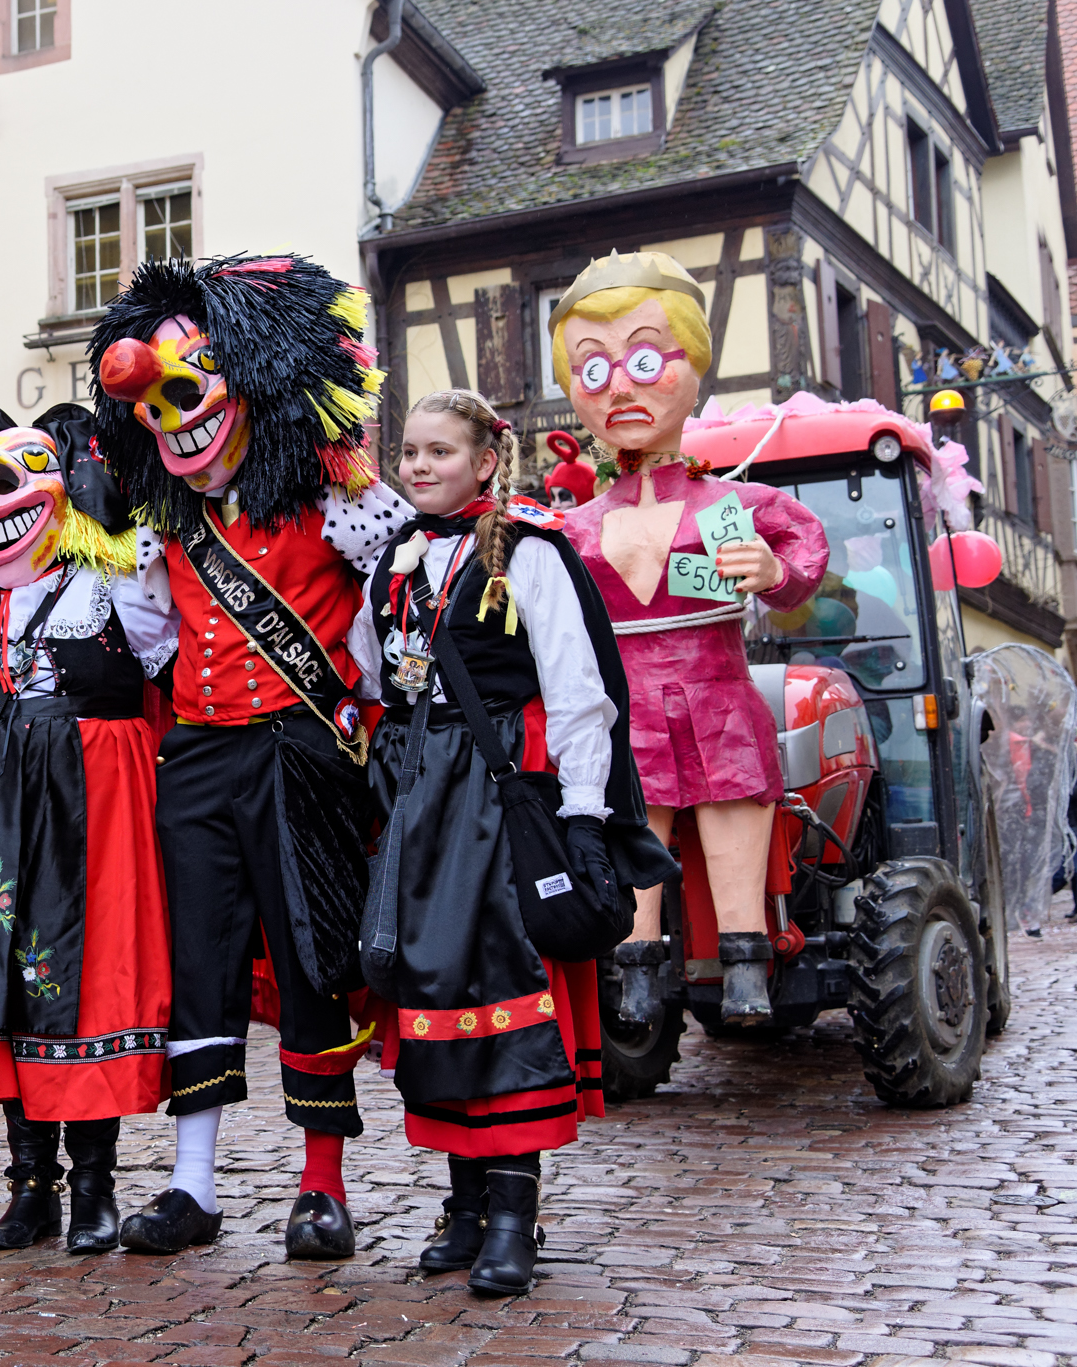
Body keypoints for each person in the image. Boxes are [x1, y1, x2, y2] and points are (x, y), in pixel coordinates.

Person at [90, 254, 408, 1260]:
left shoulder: (337, 498)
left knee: (314, 958)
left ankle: (320, 1184)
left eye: (188, 391)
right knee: (202, 964)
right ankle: (191, 1182)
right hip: (195, 759)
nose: (170, 418)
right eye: (151, 407)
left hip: (299, 751)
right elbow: (144, 642)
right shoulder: (163, 528)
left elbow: (402, 602)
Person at [347, 389, 671, 1296]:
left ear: (486, 460)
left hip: (500, 795)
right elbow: (375, 674)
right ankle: (461, 1206)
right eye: (408, 451)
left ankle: (512, 1214)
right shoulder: (393, 562)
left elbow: (577, 692)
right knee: (430, 992)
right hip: (423, 801)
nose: (417, 467)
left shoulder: (530, 554)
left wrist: (579, 814)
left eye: (439, 452)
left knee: (503, 988)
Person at [0, 406, 178, 1254]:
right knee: (10, 976)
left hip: (99, 804)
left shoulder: (117, 582)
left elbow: (171, 680)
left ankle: (94, 1184)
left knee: (91, 979)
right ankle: (32, 1187)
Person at [550, 253, 828, 1025]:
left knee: (735, 801)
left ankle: (745, 959)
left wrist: (771, 568)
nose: (621, 387)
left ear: (692, 363)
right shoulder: (570, 527)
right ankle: (635, 965)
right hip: (623, 701)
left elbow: (803, 566)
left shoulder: (735, 503)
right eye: (593, 369)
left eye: (644, 359)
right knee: (629, 826)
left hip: (717, 688)